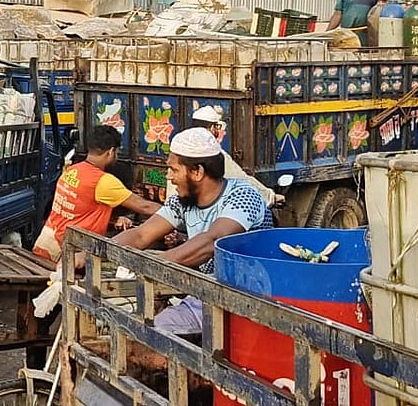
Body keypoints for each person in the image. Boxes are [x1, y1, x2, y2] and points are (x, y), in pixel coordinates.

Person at [113, 127, 272, 336]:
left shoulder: (243, 196)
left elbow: (212, 241)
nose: (168, 176)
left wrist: (153, 267)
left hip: (245, 301)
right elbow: (142, 234)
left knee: (148, 334)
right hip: (206, 293)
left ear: (197, 172)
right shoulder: (183, 201)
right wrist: (93, 252)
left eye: (174, 169)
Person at [33, 125, 161, 261]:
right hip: (67, 252)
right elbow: (144, 207)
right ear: (111, 151)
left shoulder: (71, 171)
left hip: (47, 243)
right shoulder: (103, 181)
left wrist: (111, 219)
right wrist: (175, 215)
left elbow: (78, 210)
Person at [190, 106, 283, 207]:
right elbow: (240, 180)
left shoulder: (181, 148)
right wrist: (270, 197)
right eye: (216, 127)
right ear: (212, 128)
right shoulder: (214, 153)